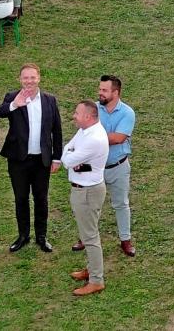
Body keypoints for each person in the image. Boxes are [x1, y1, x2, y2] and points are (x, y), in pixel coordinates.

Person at [0, 63, 64, 254]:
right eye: (25, 78)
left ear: (39, 78)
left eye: (32, 77)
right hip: (18, 159)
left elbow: (57, 130)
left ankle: (41, 236)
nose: (29, 81)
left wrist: (57, 158)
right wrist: (14, 104)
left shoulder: (49, 100)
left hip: (42, 160)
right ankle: (23, 235)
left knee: (41, 198)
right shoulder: (12, 97)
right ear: (20, 79)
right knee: (21, 198)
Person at [78, 75, 136, 256]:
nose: (100, 93)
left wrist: (95, 136)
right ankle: (85, 238)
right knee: (90, 205)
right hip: (95, 168)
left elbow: (119, 138)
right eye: (100, 89)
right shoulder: (93, 110)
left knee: (121, 204)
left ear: (115, 93)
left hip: (118, 167)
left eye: (104, 90)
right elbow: (84, 133)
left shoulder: (127, 113)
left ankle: (125, 240)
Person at [57, 101, 109, 296]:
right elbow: (68, 149)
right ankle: (92, 269)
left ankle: (96, 280)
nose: (73, 115)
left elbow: (68, 160)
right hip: (84, 190)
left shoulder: (93, 138)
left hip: (87, 192)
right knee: (88, 233)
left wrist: (70, 157)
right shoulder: (85, 130)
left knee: (90, 236)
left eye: (77, 113)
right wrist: (70, 155)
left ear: (88, 116)